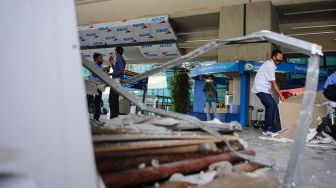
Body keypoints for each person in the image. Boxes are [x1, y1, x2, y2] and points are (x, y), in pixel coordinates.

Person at [251, 50, 285, 136]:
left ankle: (266, 128)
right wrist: (281, 95)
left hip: (263, 89)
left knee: (268, 106)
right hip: (260, 88)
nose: (281, 59)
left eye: (282, 58)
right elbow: (274, 83)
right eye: (280, 57)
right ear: (274, 57)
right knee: (272, 105)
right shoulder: (270, 66)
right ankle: (270, 128)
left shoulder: (270, 64)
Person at [87, 53, 111, 121]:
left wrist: (108, 70)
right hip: (92, 85)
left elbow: (104, 74)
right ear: (96, 59)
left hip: (99, 86)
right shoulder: (93, 66)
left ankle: (96, 118)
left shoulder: (102, 67)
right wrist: (106, 68)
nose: (102, 59)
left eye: (101, 58)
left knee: (98, 102)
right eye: (100, 58)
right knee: (88, 101)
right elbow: (95, 74)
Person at [109, 46, 126, 119]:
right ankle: (115, 116)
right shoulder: (121, 59)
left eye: (115, 51)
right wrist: (112, 64)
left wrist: (111, 74)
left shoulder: (119, 59)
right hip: (117, 80)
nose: (114, 53)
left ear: (116, 52)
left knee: (112, 99)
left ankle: (113, 116)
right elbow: (116, 70)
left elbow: (121, 71)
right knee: (115, 99)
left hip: (116, 81)